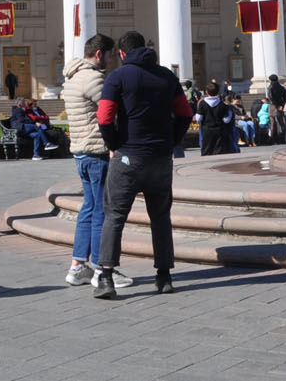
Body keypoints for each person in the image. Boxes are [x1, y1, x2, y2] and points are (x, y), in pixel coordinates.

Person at [93, 30, 194, 298]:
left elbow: (104, 117)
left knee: (114, 215)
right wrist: (171, 140)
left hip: (128, 156)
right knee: (160, 217)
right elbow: (185, 113)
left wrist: (114, 144)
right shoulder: (166, 76)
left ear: (123, 53)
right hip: (160, 158)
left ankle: (106, 277)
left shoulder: (118, 76)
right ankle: (164, 276)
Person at [62, 33, 131, 289]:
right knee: (102, 210)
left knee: (88, 209)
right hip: (96, 151)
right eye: (111, 55)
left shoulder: (72, 77)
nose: (112, 61)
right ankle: (102, 270)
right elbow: (110, 110)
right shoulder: (93, 78)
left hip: (81, 151)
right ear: (100, 53)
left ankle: (77, 266)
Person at [195, 80, 234, 155]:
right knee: (219, 151)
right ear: (218, 92)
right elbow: (226, 120)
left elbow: (198, 118)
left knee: (207, 150)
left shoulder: (202, 103)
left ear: (206, 92)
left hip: (207, 130)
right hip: (219, 130)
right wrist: (230, 113)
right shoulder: (223, 105)